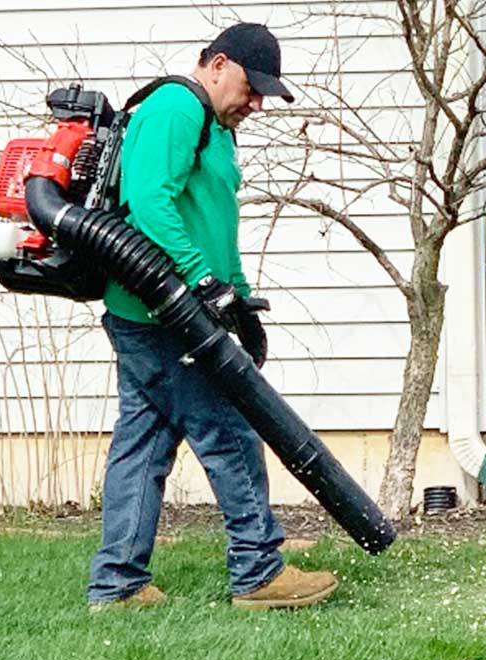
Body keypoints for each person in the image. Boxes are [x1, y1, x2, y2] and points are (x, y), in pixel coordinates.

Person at [86, 23, 339, 611]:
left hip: (167, 312)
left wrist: (240, 300)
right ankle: (258, 572)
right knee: (228, 433)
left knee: (143, 445)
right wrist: (202, 281)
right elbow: (149, 202)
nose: (254, 104)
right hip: (161, 313)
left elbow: (214, 223)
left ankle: (118, 584)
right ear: (219, 64)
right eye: (251, 89)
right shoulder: (175, 106)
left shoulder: (216, 128)